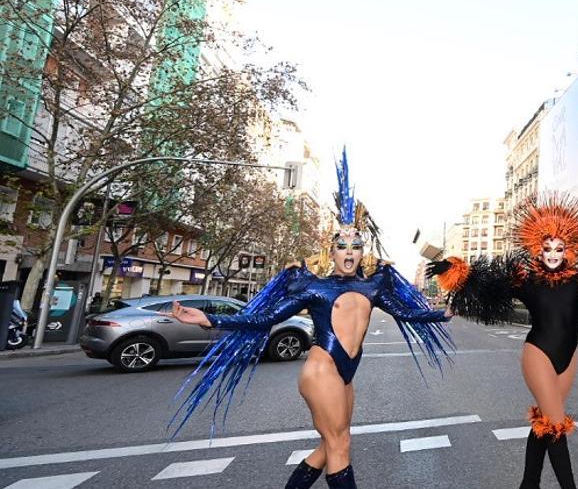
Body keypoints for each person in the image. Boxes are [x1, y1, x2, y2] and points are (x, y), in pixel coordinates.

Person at [165, 150, 453, 489]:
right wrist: (210, 319)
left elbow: (405, 312)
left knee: (331, 443)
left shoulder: (374, 286)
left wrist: (441, 314)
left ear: (363, 251)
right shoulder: (314, 287)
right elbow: (267, 318)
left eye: (355, 246)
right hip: (322, 370)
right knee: (339, 445)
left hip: (345, 374)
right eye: (341, 245)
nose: (348, 252)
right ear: (331, 252)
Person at [428, 194, 578, 489]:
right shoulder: (525, 280)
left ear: (568, 250)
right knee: (555, 424)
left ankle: (529, 484)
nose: (553, 254)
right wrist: (454, 270)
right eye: (547, 248)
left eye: (559, 248)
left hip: (568, 358)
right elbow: (488, 285)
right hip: (538, 354)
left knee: (545, 418)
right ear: (538, 249)